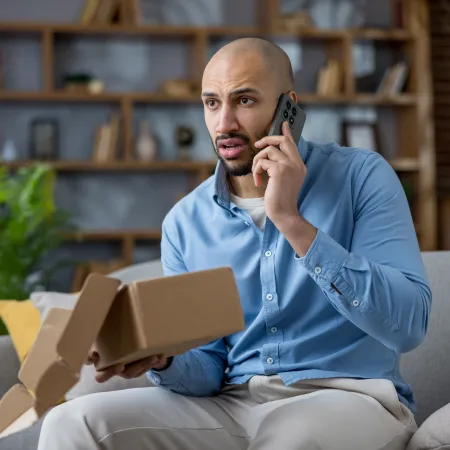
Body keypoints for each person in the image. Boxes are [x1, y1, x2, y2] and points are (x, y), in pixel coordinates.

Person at [38, 37, 431, 450]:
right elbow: (208, 368)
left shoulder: (362, 178)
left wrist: (291, 221)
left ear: (288, 107)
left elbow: (407, 326)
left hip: (347, 399)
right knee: (72, 422)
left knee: (292, 440)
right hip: (231, 405)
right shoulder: (185, 223)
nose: (224, 123)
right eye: (211, 103)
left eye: (244, 100)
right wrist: (165, 358)